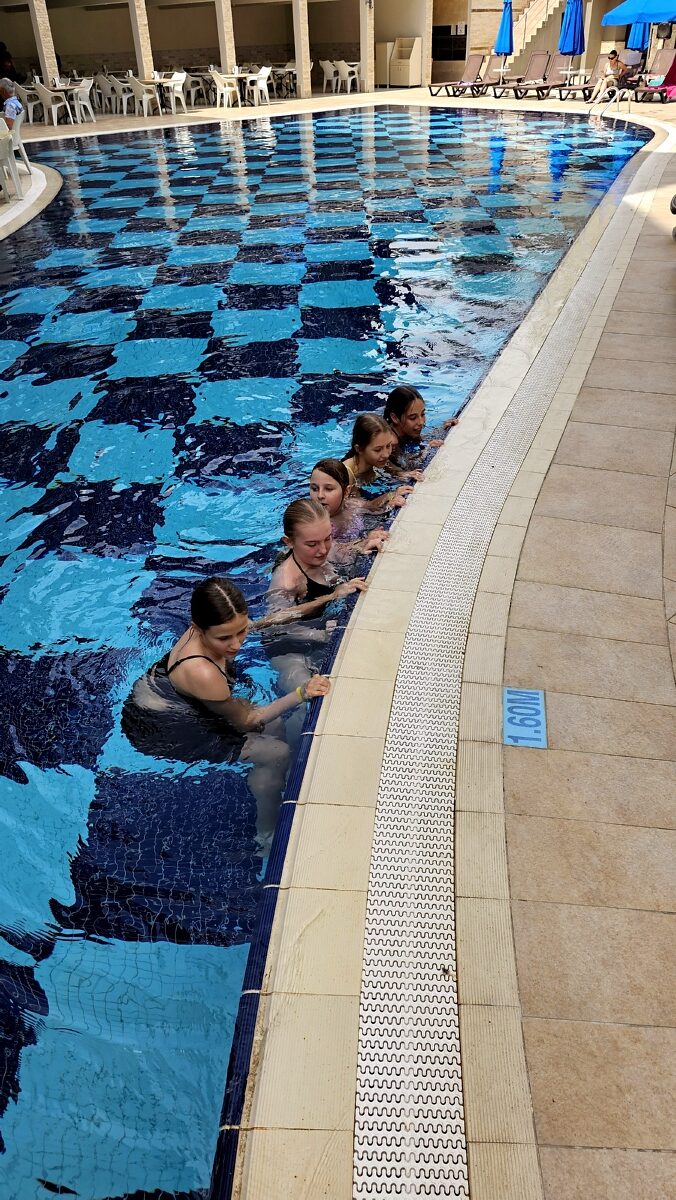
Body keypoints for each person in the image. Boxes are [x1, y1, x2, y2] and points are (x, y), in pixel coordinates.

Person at [122, 576, 329, 846]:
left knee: (275, 725)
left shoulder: (217, 624)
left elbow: (270, 622)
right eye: (225, 638)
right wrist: (302, 692)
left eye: (241, 631)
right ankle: (267, 837)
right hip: (162, 727)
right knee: (275, 753)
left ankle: (282, 779)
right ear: (197, 628)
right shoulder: (203, 672)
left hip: (172, 694)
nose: (236, 644)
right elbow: (248, 721)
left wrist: (330, 597)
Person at [258, 499, 367, 741]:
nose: (323, 549)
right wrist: (322, 633)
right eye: (312, 544)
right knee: (308, 700)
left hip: (316, 631)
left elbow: (343, 550)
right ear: (289, 542)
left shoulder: (319, 551)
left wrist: (365, 544)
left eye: (327, 538)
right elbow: (275, 626)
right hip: (288, 649)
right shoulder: (286, 581)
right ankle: (292, 748)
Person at [309, 457, 388, 553]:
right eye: (314, 489)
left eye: (328, 489)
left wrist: (391, 497)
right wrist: (362, 543)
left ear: (346, 491)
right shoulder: (313, 524)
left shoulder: (352, 505)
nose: (320, 495)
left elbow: (375, 506)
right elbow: (328, 551)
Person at [342, 414, 414, 509]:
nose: (386, 454)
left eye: (388, 446)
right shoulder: (347, 473)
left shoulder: (378, 460)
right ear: (359, 449)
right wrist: (390, 495)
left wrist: (403, 474)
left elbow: (392, 469)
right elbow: (361, 507)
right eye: (378, 450)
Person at [383, 384, 459, 475]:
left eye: (422, 414)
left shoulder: (407, 430)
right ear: (395, 418)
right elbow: (403, 467)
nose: (421, 422)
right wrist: (427, 450)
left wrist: (443, 429)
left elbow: (419, 439)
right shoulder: (391, 442)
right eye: (413, 418)